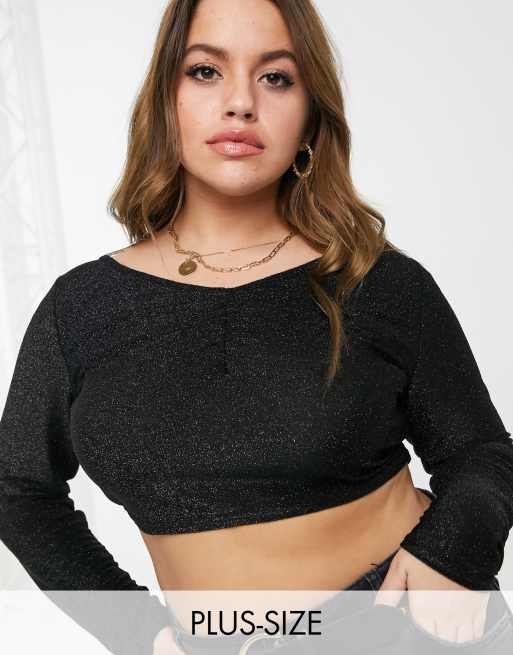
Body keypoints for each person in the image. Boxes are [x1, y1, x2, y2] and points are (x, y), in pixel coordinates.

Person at [1, 1, 512, 654]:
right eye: (205, 71)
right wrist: (139, 633)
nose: (240, 103)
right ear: (165, 99)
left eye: (276, 77)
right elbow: (18, 488)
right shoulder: (80, 309)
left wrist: (452, 554)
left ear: (309, 116)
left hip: (400, 629)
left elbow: (481, 452)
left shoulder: (375, 281)